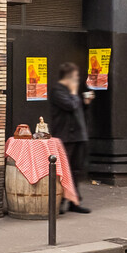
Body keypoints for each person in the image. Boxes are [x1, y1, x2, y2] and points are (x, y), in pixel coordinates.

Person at [47, 63, 92, 213]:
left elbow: (77, 109)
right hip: (66, 136)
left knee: (76, 170)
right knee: (63, 170)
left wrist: (85, 103)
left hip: (78, 134)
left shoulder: (68, 91)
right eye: (76, 76)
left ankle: (74, 201)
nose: (78, 79)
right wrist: (74, 94)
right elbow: (70, 106)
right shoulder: (57, 91)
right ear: (69, 77)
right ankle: (60, 202)